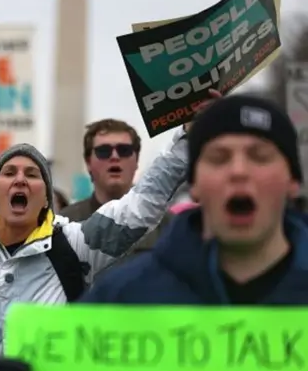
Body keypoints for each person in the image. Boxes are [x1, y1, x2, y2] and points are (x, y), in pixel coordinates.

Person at [0, 116, 189, 356]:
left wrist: (187, 136)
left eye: (32, 174)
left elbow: (139, 206)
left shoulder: (74, 245)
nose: (20, 180)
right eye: (8, 173)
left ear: (47, 198)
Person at [82, 94, 308, 304]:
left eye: (259, 157)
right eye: (218, 158)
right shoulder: (122, 297)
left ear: (294, 181)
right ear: (195, 184)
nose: (238, 171)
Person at [59, 119, 141, 221]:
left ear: (137, 160)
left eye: (124, 150)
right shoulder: (64, 224)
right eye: (103, 151)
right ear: (88, 162)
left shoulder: (161, 224)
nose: (114, 156)